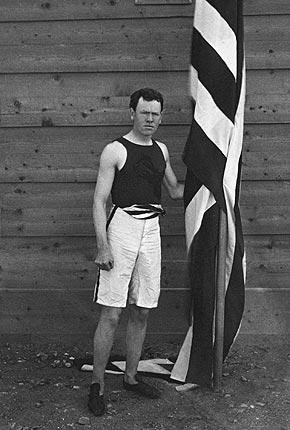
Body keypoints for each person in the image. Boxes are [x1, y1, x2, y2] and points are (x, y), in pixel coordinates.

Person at [88, 88, 184, 416]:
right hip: (122, 226)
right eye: (144, 113)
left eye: (156, 114)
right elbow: (100, 201)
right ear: (132, 113)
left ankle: (130, 377)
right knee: (112, 311)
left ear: (161, 116)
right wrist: (103, 245)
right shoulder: (114, 150)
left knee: (142, 309)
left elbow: (174, 191)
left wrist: (216, 176)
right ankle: (97, 384)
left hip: (151, 229)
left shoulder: (161, 150)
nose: (150, 119)